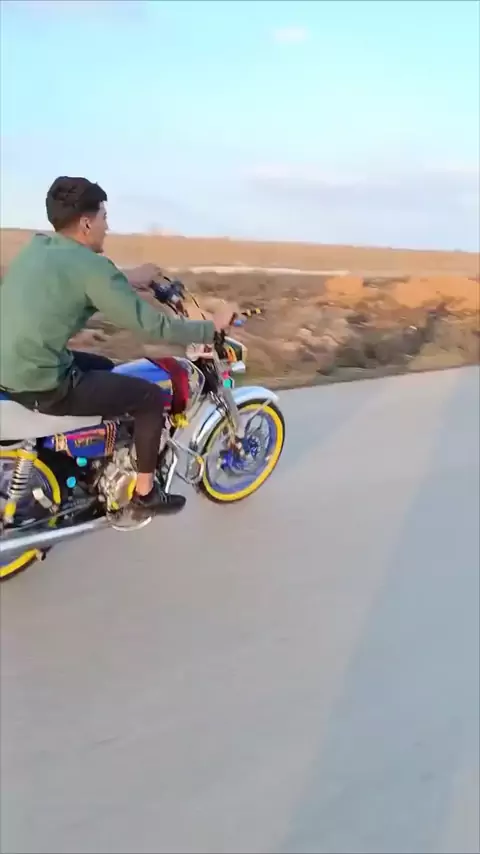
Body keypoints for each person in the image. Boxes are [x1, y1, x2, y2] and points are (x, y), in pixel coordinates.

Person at [0, 176, 235, 516]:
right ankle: (145, 494)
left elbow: (83, 277)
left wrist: (130, 278)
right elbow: (151, 325)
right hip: (40, 381)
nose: (107, 227)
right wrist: (211, 327)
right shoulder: (92, 268)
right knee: (148, 398)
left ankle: (93, 459)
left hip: (11, 364)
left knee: (106, 368)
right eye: (104, 217)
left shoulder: (39, 248)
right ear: (86, 223)